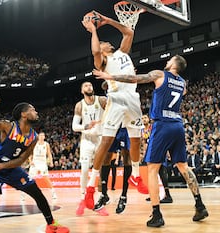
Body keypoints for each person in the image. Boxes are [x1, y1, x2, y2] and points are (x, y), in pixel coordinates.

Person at [94, 54, 209, 227]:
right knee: (183, 166)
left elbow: (136, 79)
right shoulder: (182, 83)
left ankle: (156, 214)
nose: (167, 61)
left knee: (152, 169)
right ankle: (199, 205)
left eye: (170, 60)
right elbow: (182, 92)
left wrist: (111, 76)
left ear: (173, 65)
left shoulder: (160, 74)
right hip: (177, 124)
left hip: (162, 125)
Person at [0, 94, 69, 233]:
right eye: (33, 110)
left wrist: (1, 166)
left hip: (10, 168)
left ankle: (51, 224)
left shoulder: (34, 137)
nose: (36, 112)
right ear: (24, 114)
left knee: (37, 192)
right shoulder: (8, 126)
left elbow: (21, 160)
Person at [81, 11, 147, 210]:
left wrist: (108, 20)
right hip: (116, 100)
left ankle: (135, 175)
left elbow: (128, 33)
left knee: (136, 139)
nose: (106, 43)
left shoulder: (122, 53)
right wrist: (93, 30)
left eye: (105, 43)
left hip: (133, 99)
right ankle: (92, 187)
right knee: (107, 141)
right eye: (103, 43)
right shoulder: (102, 61)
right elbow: (94, 52)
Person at [71, 81, 107, 216]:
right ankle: (82, 198)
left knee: (98, 171)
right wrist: (86, 127)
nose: (89, 87)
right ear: (82, 91)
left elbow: (112, 109)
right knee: (85, 169)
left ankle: (97, 201)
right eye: (86, 86)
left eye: (90, 85)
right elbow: (74, 126)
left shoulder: (102, 100)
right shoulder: (80, 105)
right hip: (87, 139)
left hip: (100, 139)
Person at [28, 132, 57, 200]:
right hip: (35, 162)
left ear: (44, 137)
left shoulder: (46, 144)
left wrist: (51, 162)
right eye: (40, 135)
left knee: (46, 178)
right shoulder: (34, 143)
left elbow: (49, 154)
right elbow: (29, 152)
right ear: (38, 137)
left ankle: (53, 193)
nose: (41, 137)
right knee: (29, 179)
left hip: (43, 163)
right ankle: (23, 195)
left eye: (43, 135)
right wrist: (30, 161)